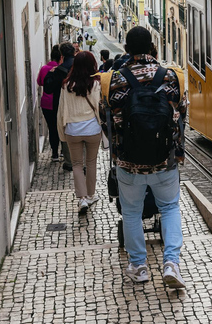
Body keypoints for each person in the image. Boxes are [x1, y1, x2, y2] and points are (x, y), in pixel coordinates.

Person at [101, 26, 188, 289]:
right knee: (170, 208)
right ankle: (171, 262)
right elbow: (182, 117)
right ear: (152, 48)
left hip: (129, 163)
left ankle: (138, 266)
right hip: (164, 160)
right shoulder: (173, 77)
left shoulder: (113, 80)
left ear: (126, 50)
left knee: (131, 213)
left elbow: (105, 122)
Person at [56, 51, 103, 215]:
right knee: (91, 162)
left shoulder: (66, 86)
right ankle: (90, 195)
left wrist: (61, 132)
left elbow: (61, 111)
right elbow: (99, 107)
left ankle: (82, 198)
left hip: (73, 130)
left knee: (76, 164)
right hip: (92, 130)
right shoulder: (96, 84)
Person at [43, 42, 76, 170]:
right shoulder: (82, 68)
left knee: (64, 130)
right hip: (79, 108)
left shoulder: (58, 71)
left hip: (61, 106)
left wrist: (51, 73)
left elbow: (48, 88)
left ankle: (69, 161)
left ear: (61, 55)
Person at [37, 45, 61, 160]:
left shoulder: (44, 68)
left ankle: (54, 153)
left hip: (46, 103)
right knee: (60, 126)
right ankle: (63, 152)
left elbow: (40, 82)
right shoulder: (62, 69)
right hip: (59, 103)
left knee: (52, 128)